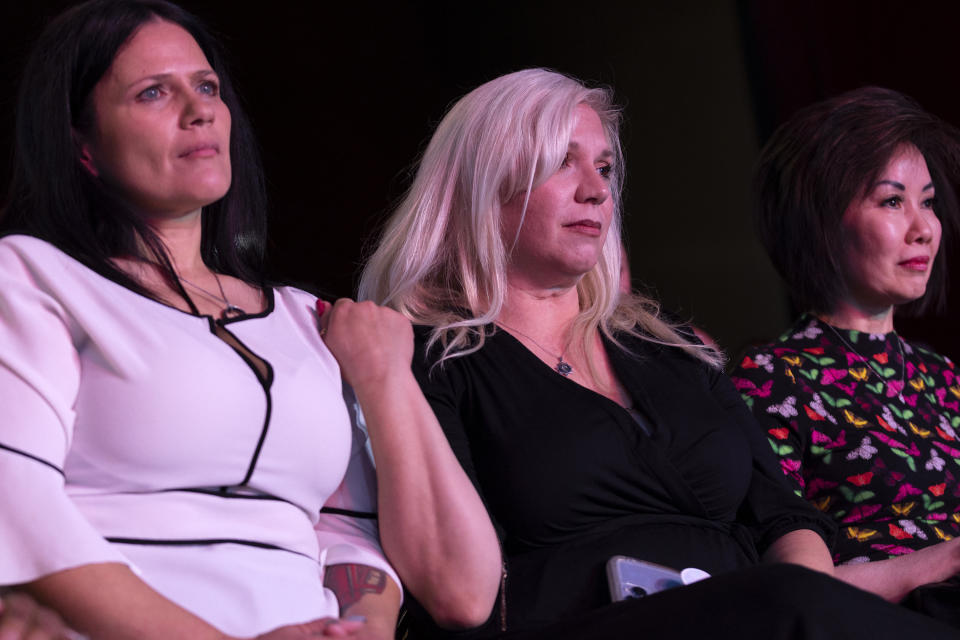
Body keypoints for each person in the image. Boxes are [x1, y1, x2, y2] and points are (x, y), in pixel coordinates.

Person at [359, 69, 960, 638]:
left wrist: (809, 606)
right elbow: (457, 596)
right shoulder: (433, 356)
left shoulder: (664, 344)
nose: (596, 190)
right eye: (562, 162)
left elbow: (785, 517)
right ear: (483, 183)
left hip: (760, 617)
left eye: (604, 167)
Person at [0, 1, 497, 637]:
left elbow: (348, 535)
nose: (199, 109)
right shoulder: (37, 279)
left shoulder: (306, 319)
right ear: (84, 147)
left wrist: (360, 625)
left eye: (206, 86)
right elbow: (17, 507)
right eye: (154, 92)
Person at [729, 87, 960, 612]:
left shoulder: (943, 376)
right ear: (823, 222)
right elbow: (785, 586)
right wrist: (943, 562)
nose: (924, 229)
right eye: (892, 201)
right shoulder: (772, 378)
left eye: (928, 203)